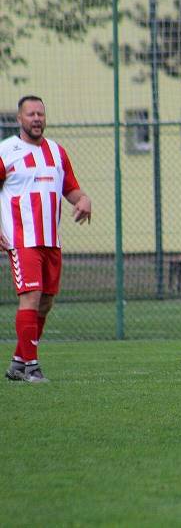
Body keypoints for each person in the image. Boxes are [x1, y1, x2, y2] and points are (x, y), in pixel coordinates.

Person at [1, 95, 92, 383]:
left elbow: (71, 189)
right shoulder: (7, 151)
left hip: (51, 240)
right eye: (31, 114)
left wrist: (84, 199)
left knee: (46, 302)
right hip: (22, 238)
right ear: (19, 119)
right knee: (31, 297)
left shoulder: (57, 152)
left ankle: (17, 362)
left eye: (40, 113)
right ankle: (31, 366)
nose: (37, 118)